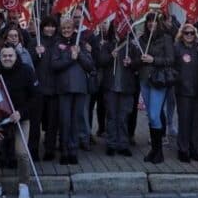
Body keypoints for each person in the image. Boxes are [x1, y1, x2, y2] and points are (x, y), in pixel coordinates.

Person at [0, 45, 36, 198]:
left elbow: (36, 97)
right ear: (0, 58)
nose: (7, 58)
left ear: (16, 57)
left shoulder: (27, 71)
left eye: (10, 56)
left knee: (22, 152)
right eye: (4, 56)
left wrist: (21, 113)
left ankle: (24, 185)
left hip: (20, 118)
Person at [50, 17, 94, 165]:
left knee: (76, 121)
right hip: (64, 88)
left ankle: (73, 151)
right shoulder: (57, 45)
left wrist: (79, 54)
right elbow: (54, 65)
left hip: (80, 88)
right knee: (65, 121)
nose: (66, 30)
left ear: (74, 29)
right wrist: (70, 57)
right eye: (64, 28)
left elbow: (90, 66)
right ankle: (64, 150)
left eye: (69, 28)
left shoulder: (81, 44)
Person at [136, 13, 174, 164]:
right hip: (144, 79)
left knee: (153, 115)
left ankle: (159, 152)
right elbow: (138, 58)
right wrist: (135, 60)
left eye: (154, 21)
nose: (151, 24)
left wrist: (154, 60)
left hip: (158, 80)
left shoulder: (166, 39)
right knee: (151, 116)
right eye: (149, 21)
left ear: (159, 23)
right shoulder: (142, 39)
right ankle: (154, 150)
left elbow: (170, 60)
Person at [96, 21, 139, 157]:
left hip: (127, 87)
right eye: (116, 26)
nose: (119, 29)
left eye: (122, 26)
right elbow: (100, 61)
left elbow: (139, 63)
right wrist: (110, 56)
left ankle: (123, 144)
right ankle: (111, 144)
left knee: (123, 117)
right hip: (110, 87)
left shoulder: (131, 45)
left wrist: (131, 62)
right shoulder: (107, 45)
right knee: (111, 116)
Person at [28, 16, 59, 161]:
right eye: (47, 26)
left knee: (52, 123)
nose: (50, 29)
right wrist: (36, 53)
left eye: (52, 26)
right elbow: (28, 63)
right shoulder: (35, 41)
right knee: (35, 123)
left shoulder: (58, 42)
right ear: (42, 27)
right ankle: (33, 150)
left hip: (54, 89)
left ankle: (50, 150)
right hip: (38, 90)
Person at [174, 23, 198, 163]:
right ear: (182, 34)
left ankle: (194, 149)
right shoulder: (177, 47)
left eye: (192, 33)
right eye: (186, 33)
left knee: (196, 122)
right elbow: (172, 66)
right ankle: (183, 149)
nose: (189, 35)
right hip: (183, 90)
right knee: (184, 120)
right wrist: (179, 79)